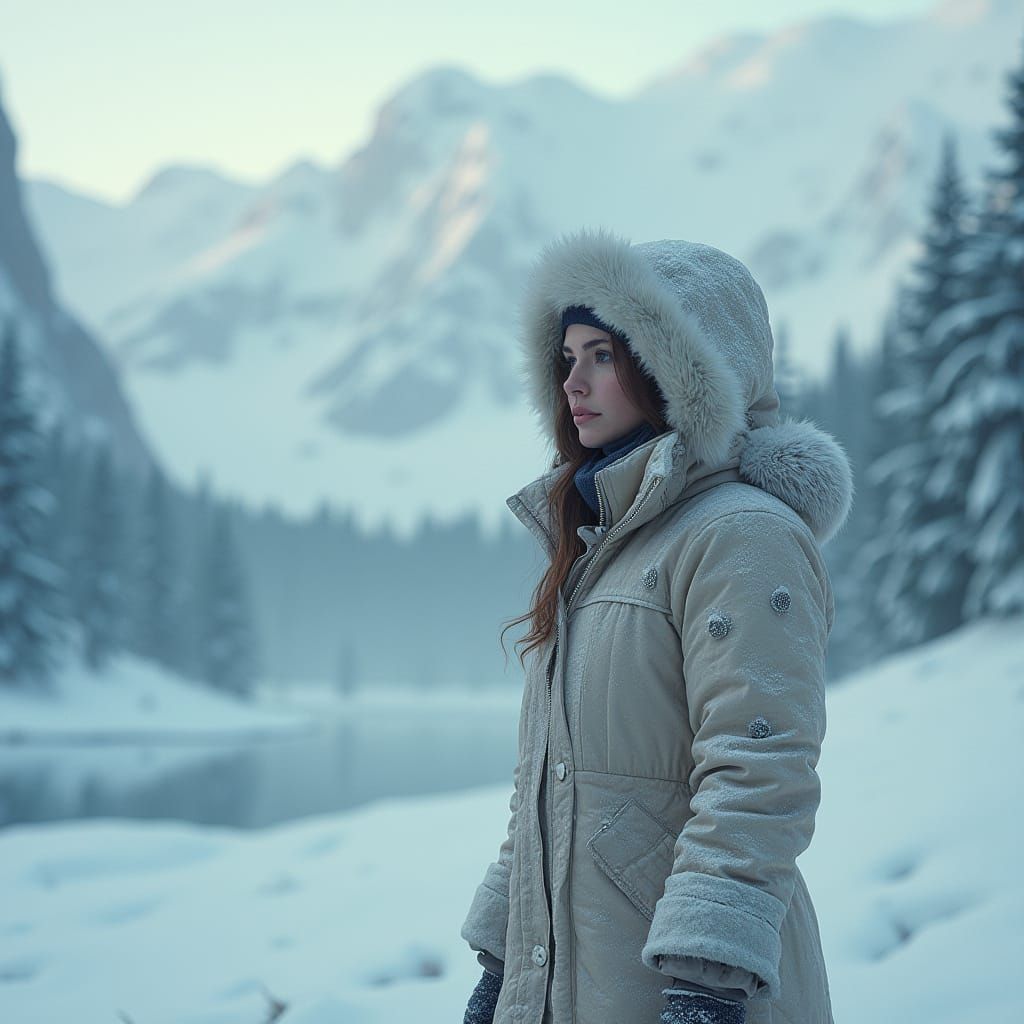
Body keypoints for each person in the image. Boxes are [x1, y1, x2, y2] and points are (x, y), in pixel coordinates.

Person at [460, 228, 853, 1024]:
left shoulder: (741, 534)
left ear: (684, 363)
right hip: (574, 981)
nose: (574, 380)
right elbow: (549, 784)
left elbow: (760, 768)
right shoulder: (600, 546)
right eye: (566, 357)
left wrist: (706, 982)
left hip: (685, 990)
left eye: (603, 353)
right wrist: (502, 958)